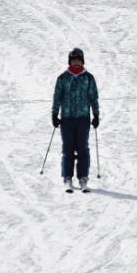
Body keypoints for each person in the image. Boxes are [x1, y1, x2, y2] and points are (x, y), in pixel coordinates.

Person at [51, 48, 100, 192]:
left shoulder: (88, 78)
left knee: (82, 148)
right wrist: (54, 114)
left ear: (82, 61)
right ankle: (67, 177)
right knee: (68, 149)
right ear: (70, 61)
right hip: (66, 118)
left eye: (79, 60)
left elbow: (93, 97)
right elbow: (57, 97)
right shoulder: (63, 78)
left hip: (83, 118)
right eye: (74, 60)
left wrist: (96, 115)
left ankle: (83, 177)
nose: (76, 62)